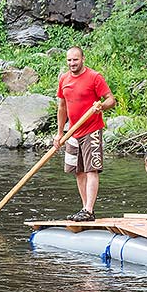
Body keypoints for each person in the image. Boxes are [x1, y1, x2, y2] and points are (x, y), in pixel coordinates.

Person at [54, 46, 116, 222]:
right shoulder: (64, 79)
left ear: (83, 59)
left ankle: (89, 210)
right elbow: (62, 107)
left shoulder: (94, 77)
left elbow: (111, 100)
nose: (72, 63)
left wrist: (101, 106)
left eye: (75, 59)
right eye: (69, 60)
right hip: (72, 132)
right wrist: (59, 133)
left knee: (91, 169)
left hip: (92, 130)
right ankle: (85, 210)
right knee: (78, 171)